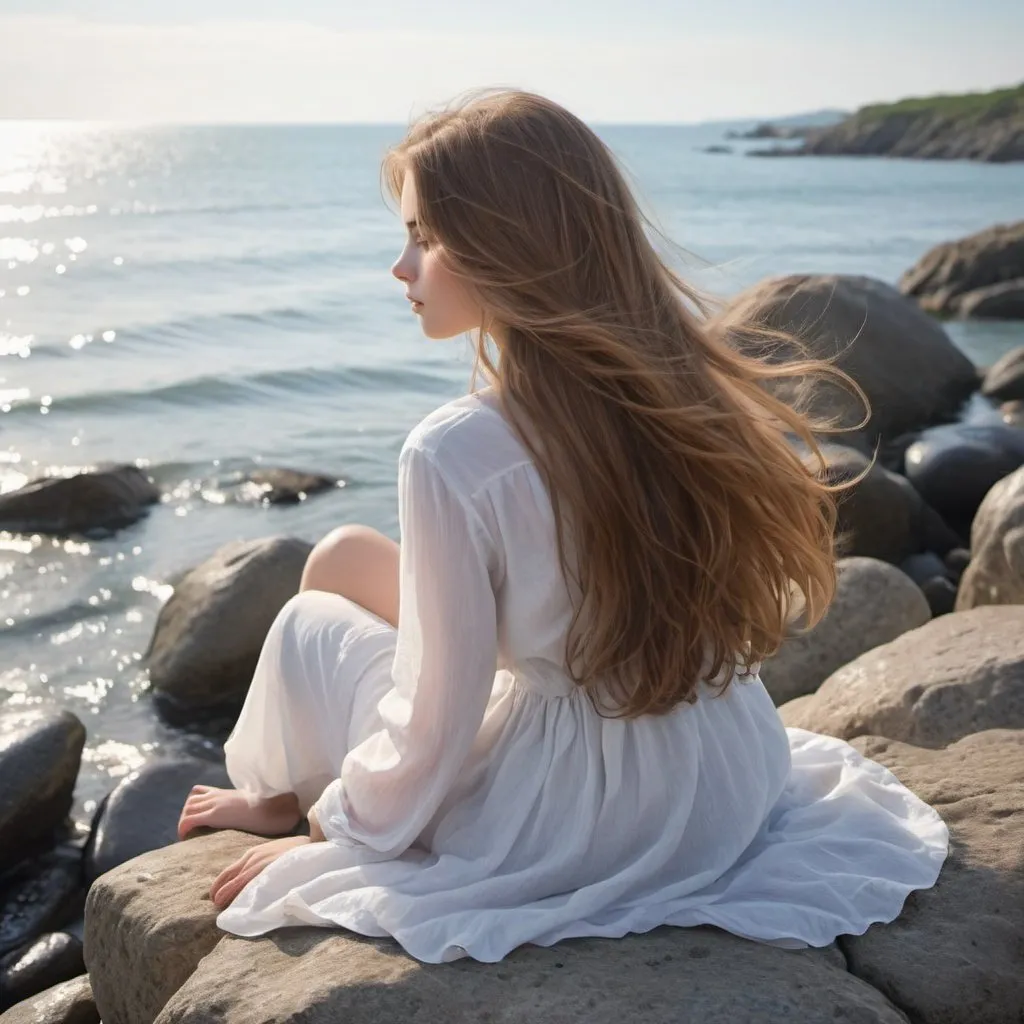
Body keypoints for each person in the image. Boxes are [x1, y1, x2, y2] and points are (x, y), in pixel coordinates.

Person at [176, 87, 948, 965]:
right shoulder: (688, 388)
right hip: (720, 775)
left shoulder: (454, 450)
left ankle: (280, 793)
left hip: (581, 815)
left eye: (425, 239)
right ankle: (281, 785)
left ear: (507, 249)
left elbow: (439, 713)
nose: (400, 268)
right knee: (343, 554)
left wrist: (334, 828)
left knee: (309, 621)